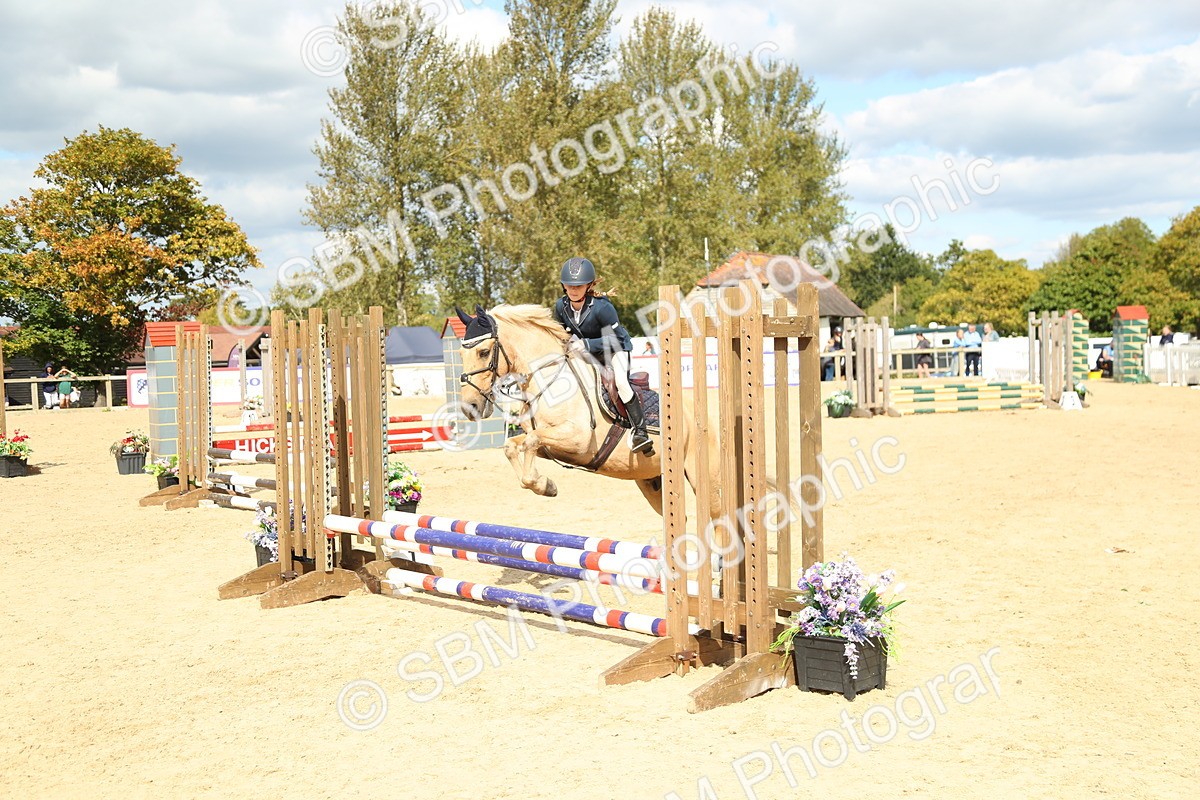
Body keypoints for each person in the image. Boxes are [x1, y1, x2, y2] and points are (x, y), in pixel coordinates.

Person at [552, 257, 652, 454]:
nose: (573, 290)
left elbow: (613, 340)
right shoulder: (560, 306)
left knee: (622, 382)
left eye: (579, 286)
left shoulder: (602, 307)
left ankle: (641, 431)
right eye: (569, 285)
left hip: (616, 349)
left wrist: (586, 344)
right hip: (587, 351)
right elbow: (560, 333)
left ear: (589, 285)